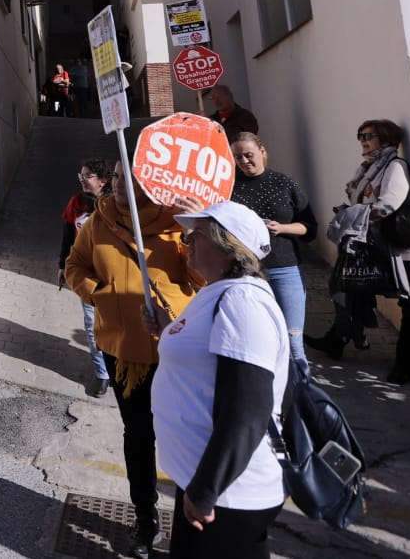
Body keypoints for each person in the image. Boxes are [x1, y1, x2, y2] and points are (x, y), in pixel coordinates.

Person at [67, 158, 201, 558]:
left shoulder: (177, 223)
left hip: (174, 350)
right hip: (123, 352)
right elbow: (75, 265)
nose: (125, 185)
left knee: (185, 439)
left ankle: (192, 517)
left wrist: (195, 230)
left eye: (134, 179)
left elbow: (202, 278)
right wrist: (100, 293)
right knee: (139, 437)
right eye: (120, 178)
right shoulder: (97, 222)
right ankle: (146, 518)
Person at [145, 200, 289, 558]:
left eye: (198, 233)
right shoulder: (223, 292)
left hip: (226, 495)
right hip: (205, 481)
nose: (186, 239)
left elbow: (247, 410)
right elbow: (208, 358)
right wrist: (167, 330)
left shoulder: (243, 303)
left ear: (230, 248)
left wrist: (206, 490)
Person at [305, 119, 410, 383]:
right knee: (347, 287)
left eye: (368, 136)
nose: (362, 140)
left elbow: (387, 206)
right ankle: (336, 340)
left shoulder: (395, 166)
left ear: (385, 140)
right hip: (376, 244)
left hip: (407, 249)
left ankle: (406, 365)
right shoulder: (368, 169)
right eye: (360, 135)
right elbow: (362, 200)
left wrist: (353, 216)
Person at [227, 133, 316, 373]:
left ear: (262, 151)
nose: (244, 161)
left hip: (286, 268)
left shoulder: (283, 182)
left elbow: (310, 227)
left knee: (293, 341)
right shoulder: (230, 187)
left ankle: (303, 401)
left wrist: (283, 228)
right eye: (238, 157)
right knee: (257, 341)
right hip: (247, 272)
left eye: (249, 154)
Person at [60, 158, 114, 397]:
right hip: (88, 275)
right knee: (92, 327)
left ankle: (118, 367)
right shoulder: (76, 202)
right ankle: (102, 374)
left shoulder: (114, 204)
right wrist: (62, 264)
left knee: (115, 325)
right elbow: (67, 233)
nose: (82, 179)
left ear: (102, 181)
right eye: (80, 175)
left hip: (114, 275)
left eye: (88, 175)